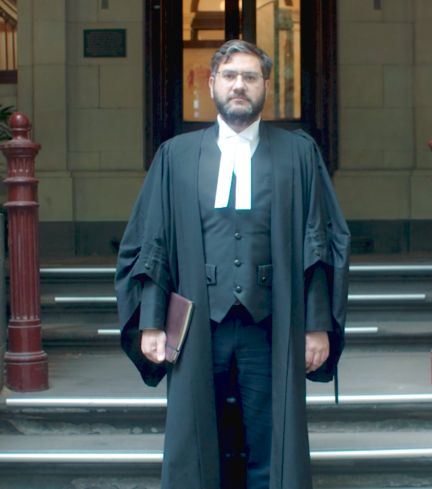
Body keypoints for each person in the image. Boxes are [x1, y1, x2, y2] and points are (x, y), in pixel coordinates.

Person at [115, 39, 350, 489]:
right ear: (212, 84)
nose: (238, 85)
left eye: (249, 76)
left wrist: (316, 324)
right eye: (229, 75)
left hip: (271, 325)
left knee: (271, 442)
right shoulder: (176, 156)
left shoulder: (299, 154)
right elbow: (153, 241)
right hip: (199, 324)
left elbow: (318, 240)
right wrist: (150, 322)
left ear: (266, 86)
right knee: (199, 440)